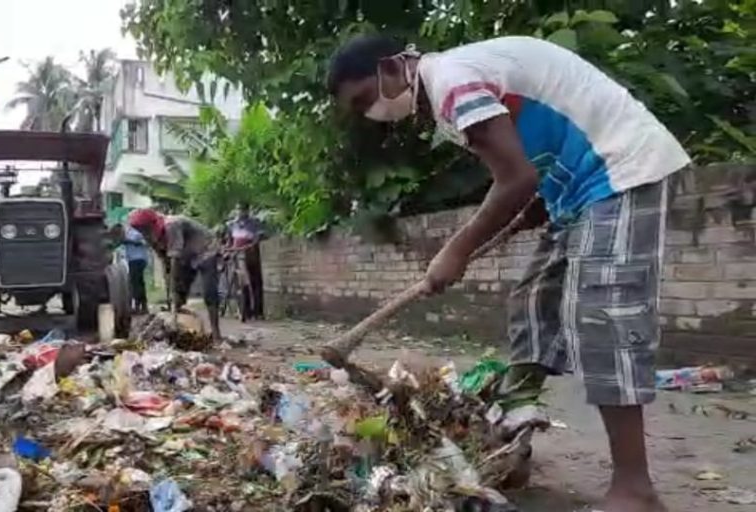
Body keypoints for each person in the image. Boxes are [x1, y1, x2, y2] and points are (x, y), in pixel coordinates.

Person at [327, 35, 690, 512]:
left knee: (603, 320)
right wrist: (539, 204)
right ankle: (514, 430)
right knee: (534, 301)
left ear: (393, 67)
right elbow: (531, 159)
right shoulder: (451, 85)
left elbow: (515, 177)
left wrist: (455, 250)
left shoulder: (452, 82)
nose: (370, 111)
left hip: (621, 170)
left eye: (365, 97)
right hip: (577, 190)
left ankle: (634, 489)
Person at [128, 208, 221, 340]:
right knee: (179, 292)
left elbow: (174, 259)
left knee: (209, 290)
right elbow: (163, 259)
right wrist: (170, 286)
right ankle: (177, 327)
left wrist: (172, 284)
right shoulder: (149, 236)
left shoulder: (172, 225)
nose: (143, 233)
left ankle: (216, 333)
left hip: (205, 249)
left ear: (150, 225)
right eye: (140, 231)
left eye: (144, 229)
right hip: (187, 255)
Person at [225, 202, 265, 320]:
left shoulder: (254, 223)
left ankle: (258, 312)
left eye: (243, 210)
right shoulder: (231, 225)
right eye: (238, 209)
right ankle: (245, 310)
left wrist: (251, 245)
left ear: (248, 210)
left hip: (251, 255)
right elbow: (229, 241)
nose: (240, 212)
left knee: (256, 282)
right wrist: (227, 250)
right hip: (237, 255)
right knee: (241, 284)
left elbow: (257, 239)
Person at [122, 224, 150, 314]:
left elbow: (144, 243)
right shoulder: (127, 232)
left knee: (136, 283)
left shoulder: (138, 232)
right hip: (132, 259)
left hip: (138, 259)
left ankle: (139, 306)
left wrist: (130, 241)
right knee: (138, 282)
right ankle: (142, 306)